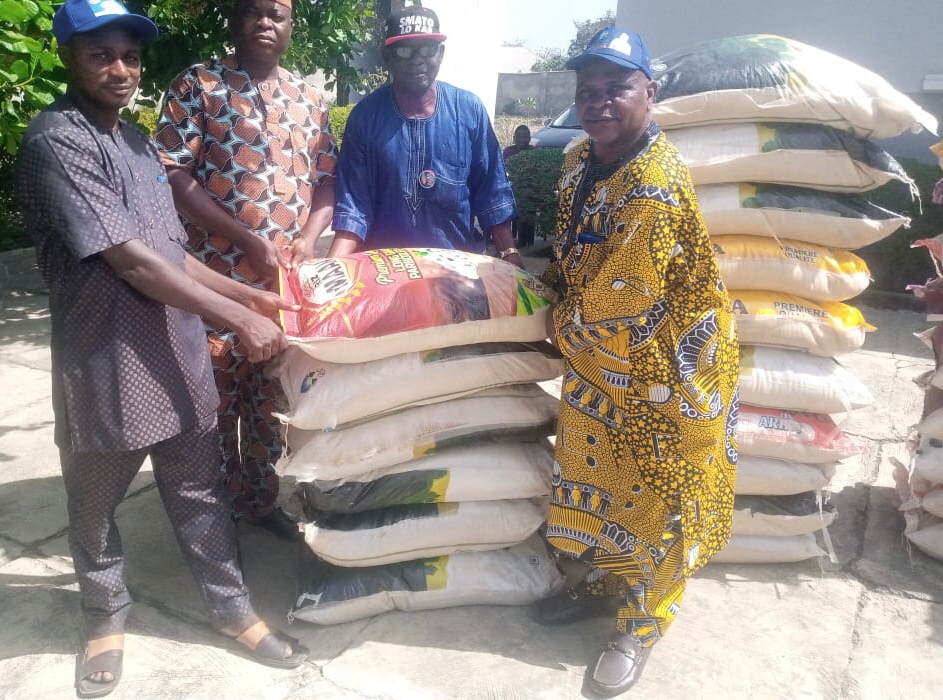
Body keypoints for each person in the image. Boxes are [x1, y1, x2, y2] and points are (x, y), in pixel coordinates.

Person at [15, 1, 310, 696]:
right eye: (100, 55)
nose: (120, 70)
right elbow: (132, 261)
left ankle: (232, 611)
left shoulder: (141, 145)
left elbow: (172, 254)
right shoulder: (56, 142)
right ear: (68, 58)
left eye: (130, 56)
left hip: (177, 354)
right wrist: (237, 322)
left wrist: (249, 299)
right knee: (93, 508)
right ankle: (103, 619)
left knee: (200, 494)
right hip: (105, 362)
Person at [533, 28, 740, 697]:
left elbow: (621, 296)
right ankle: (605, 584)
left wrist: (543, 322)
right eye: (586, 92)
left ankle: (640, 625)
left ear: (649, 92)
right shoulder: (573, 161)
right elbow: (575, 259)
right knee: (597, 472)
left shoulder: (654, 182)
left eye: (616, 88)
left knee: (653, 495)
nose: (599, 103)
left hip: (667, 368)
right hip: (598, 360)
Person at [154, 0, 337, 539]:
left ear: (290, 26)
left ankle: (258, 502)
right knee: (210, 403)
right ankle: (208, 515)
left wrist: (307, 240)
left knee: (269, 403)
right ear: (234, 22)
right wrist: (245, 239)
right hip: (213, 282)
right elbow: (171, 171)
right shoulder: (199, 85)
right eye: (253, 12)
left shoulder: (311, 99)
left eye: (277, 14)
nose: (265, 22)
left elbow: (327, 181)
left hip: (284, 288)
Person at [327, 5, 523, 267]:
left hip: (458, 271)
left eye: (427, 49)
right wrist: (331, 267)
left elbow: (491, 192)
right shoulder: (365, 117)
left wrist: (509, 252)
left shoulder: (469, 110)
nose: (417, 59)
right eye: (405, 50)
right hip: (385, 273)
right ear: (388, 56)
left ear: (440, 54)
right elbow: (354, 208)